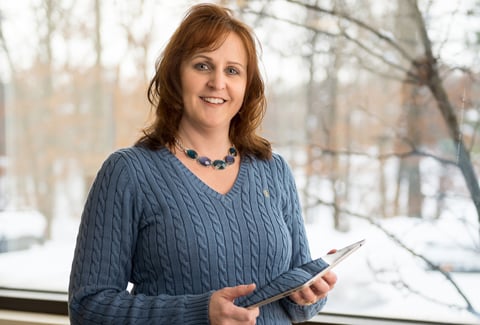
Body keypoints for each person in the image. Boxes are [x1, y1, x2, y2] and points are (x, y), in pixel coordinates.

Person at [68, 3, 337, 324]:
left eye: (233, 70)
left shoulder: (273, 170)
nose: (218, 82)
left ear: (247, 86)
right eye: (202, 65)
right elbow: (88, 308)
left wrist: (308, 295)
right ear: (175, 75)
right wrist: (198, 312)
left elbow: (294, 304)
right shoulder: (128, 172)